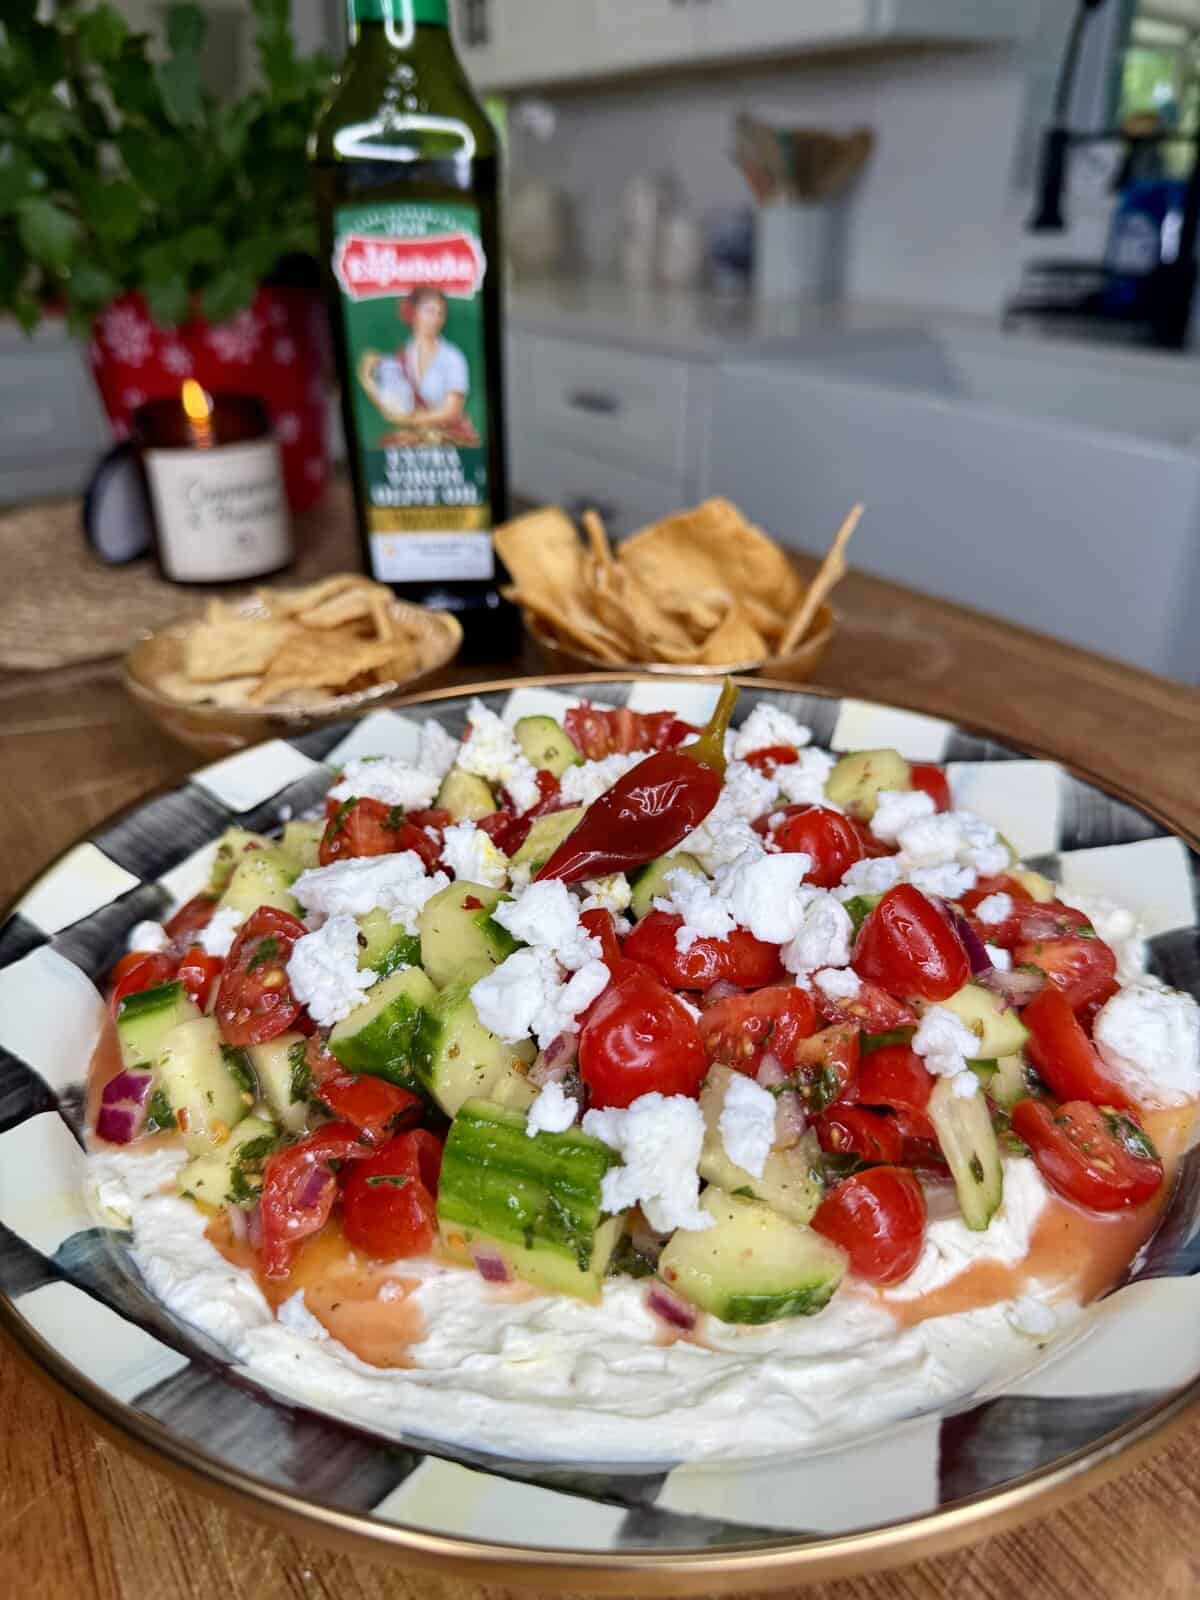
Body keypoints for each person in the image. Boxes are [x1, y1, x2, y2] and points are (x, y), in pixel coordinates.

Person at [357, 285, 478, 443]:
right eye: (429, 311)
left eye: (440, 313)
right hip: (413, 439)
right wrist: (367, 379)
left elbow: (452, 411)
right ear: (413, 313)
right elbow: (391, 406)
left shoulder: (452, 357)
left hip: (448, 439)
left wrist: (410, 420)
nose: (435, 319)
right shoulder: (401, 357)